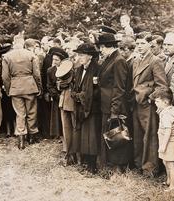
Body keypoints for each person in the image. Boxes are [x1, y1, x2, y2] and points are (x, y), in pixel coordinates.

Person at [132, 32, 168, 176]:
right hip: (136, 102)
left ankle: (151, 168)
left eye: (143, 44)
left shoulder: (155, 61)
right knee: (138, 135)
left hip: (148, 105)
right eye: (138, 44)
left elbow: (162, 86)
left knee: (150, 136)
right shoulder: (136, 60)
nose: (140, 46)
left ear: (149, 44)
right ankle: (139, 164)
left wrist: (150, 96)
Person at [96, 32, 131, 168]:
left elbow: (119, 88)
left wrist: (114, 111)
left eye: (101, 47)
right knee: (110, 135)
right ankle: (109, 165)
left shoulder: (118, 60)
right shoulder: (110, 58)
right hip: (107, 104)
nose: (100, 50)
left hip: (114, 105)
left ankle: (118, 167)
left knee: (117, 135)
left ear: (107, 46)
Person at [2, 35, 42, 149]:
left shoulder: (7, 56)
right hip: (30, 85)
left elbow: (5, 76)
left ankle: (21, 140)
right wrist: (39, 87)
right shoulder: (31, 55)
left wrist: (9, 89)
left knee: (20, 114)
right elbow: (37, 74)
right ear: (23, 43)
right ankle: (32, 136)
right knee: (32, 112)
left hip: (15, 87)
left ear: (14, 43)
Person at [72, 43, 101, 173]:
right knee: (84, 136)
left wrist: (82, 96)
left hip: (92, 108)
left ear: (90, 56)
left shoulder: (97, 69)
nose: (79, 57)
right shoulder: (79, 69)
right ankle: (85, 162)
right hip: (81, 107)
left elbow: (97, 90)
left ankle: (92, 166)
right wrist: (76, 95)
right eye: (78, 55)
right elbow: (75, 86)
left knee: (91, 137)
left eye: (82, 55)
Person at [150, 89, 174, 191]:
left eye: (157, 101)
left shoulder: (167, 115)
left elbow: (168, 131)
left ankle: (172, 186)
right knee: (165, 162)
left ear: (165, 102)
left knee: (171, 165)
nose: (155, 103)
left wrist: (163, 146)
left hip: (169, 142)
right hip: (167, 141)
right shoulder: (171, 110)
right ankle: (168, 180)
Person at [56, 59, 78, 165]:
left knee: (71, 129)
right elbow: (59, 86)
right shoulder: (68, 75)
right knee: (67, 130)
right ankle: (70, 154)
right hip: (65, 102)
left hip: (69, 102)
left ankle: (74, 155)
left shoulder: (75, 74)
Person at [46, 47, 68, 139]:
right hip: (56, 97)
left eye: (57, 60)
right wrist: (56, 95)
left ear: (62, 61)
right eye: (53, 59)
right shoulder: (50, 70)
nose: (54, 61)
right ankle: (60, 136)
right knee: (57, 118)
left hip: (66, 97)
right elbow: (49, 85)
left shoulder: (67, 70)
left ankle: (66, 136)